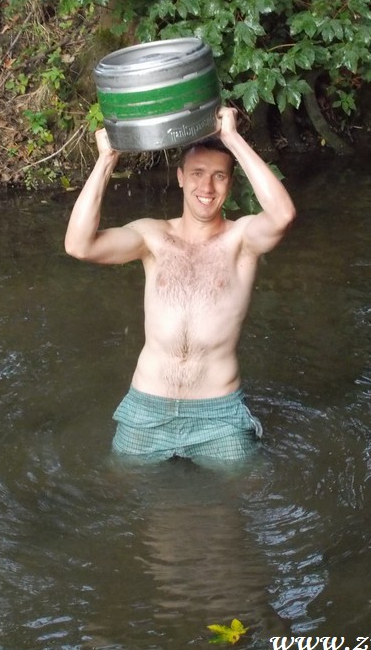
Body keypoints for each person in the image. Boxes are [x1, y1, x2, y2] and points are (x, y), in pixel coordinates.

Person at [64, 106, 296, 462]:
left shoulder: (241, 240)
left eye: (219, 176)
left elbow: (282, 215)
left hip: (218, 414)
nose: (207, 187)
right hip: (147, 408)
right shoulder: (152, 236)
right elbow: (79, 245)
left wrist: (231, 138)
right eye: (198, 174)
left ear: (230, 183)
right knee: (125, 487)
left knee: (240, 492)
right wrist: (106, 159)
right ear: (181, 178)